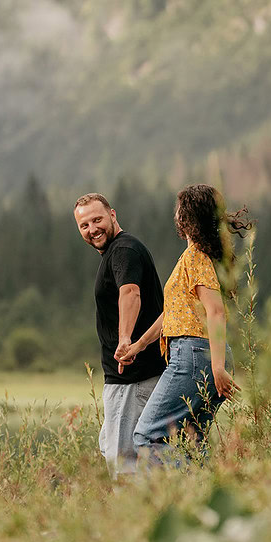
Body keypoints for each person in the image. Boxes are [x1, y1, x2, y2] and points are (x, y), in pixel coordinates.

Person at [116, 184, 250, 464]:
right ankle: (203, 501)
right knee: (191, 440)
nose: (175, 214)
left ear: (187, 217)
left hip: (194, 356)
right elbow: (173, 312)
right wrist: (139, 345)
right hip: (203, 353)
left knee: (147, 436)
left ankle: (173, 502)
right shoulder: (201, 257)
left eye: (179, 209)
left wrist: (216, 368)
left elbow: (215, 312)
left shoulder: (196, 256)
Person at [73, 192, 164, 476]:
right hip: (128, 380)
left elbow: (130, 291)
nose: (92, 229)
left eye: (97, 220)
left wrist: (125, 339)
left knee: (124, 469)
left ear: (113, 215)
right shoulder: (117, 252)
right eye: (84, 225)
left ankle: (134, 518)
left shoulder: (124, 249)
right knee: (128, 458)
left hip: (132, 380)